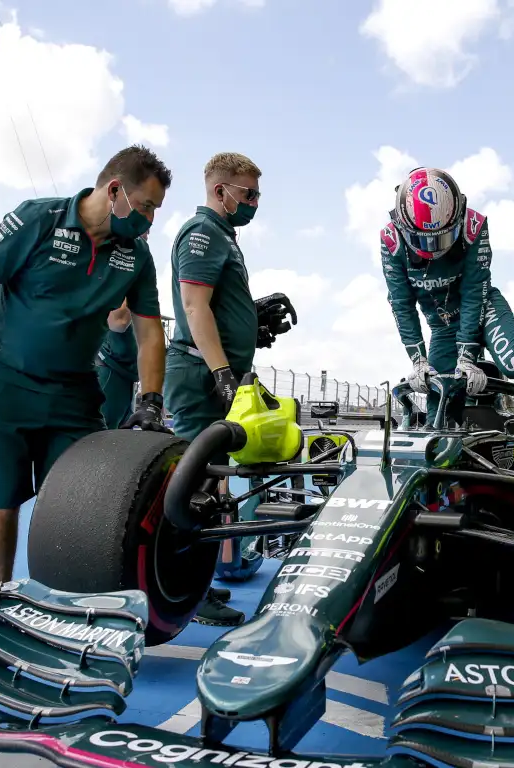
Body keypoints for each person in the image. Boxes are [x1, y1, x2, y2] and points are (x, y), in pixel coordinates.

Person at [0, 145, 173, 586]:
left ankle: (64, 604)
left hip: (74, 392)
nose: (150, 219)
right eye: (145, 206)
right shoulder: (36, 220)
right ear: (116, 190)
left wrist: (152, 400)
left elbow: (149, 333)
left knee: (76, 504)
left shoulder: (136, 257)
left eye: (156, 209)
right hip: (6, 382)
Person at [164, 151, 297, 627]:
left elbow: (214, 306)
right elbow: (194, 306)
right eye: (248, 193)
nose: (255, 203)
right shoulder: (202, 233)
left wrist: (248, 323)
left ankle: (198, 580)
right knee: (195, 485)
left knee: (214, 483)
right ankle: (185, 592)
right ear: (220, 191)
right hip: (199, 376)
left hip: (213, 372)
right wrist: (222, 371)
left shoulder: (223, 236)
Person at [380, 167, 514, 424]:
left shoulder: (473, 227)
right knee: (437, 402)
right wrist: (418, 361)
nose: (433, 249)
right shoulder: (390, 241)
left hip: (484, 307)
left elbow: (474, 293)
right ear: (403, 225)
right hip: (443, 326)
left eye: (441, 238)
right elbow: (402, 305)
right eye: (423, 241)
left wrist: (467, 357)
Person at [96, 233, 155, 430]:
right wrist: (137, 278)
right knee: (98, 445)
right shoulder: (116, 264)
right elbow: (118, 320)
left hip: (123, 374)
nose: (146, 230)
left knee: (117, 444)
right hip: (109, 369)